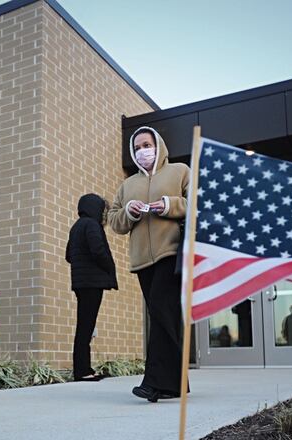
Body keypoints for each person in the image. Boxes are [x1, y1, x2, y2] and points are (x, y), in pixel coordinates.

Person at [108, 126, 189, 402]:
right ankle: (177, 383)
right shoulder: (127, 185)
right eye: (138, 147)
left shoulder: (179, 171)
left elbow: (197, 203)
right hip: (142, 260)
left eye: (147, 144)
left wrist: (167, 205)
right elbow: (114, 221)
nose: (143, 151)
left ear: (159, 145)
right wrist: (129, 213)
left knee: (160, 312)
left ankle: (152, 383)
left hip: (172, 253)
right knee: (163, 316)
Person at [65, 194, 118, 381]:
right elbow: (98, 250)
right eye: (102, 209)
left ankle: (84, 369)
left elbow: (68, 255)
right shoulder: (92, 225)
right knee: (86, 327)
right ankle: (83, 372)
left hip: (80, 282)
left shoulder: (76, 226)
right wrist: (108, 267)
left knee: (84, 326)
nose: (103, 214)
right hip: (92, 283)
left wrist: (82, 263)